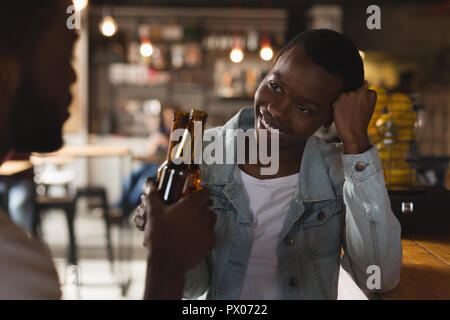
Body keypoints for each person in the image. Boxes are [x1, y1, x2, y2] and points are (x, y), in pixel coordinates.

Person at [135, 29, 402, 299]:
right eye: (276, 86)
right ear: (268, 70)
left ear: (329, 118)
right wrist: (162, 241)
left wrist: (356, 141)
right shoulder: (200, 152)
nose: (277, 110)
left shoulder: (338, 172)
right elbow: (193, 289)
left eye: (304, 108)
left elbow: (378, 277)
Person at [0, 0, 215, 299]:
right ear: (5, 72)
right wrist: (167, 261)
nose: (74, 78)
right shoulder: (14, 273)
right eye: (65, 58)